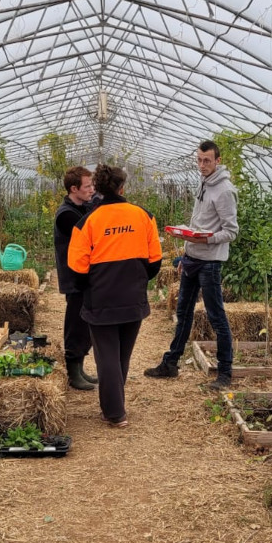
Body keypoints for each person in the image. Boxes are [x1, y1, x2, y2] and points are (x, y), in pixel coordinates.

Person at [68, 164, 162, 427]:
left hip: (101, 299)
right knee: (122, 354)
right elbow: (155, 262)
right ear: (122, 188)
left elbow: (77, 268)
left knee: (106, 354)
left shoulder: (87, 222)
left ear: (97, 188)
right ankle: (116, 405)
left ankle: (114, 413)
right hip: (133, 297)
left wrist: (93, 285)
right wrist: (137, 280)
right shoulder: (144, 215)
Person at [144, 140, 239, 391]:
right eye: (199, 160)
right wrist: (187, 242)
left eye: (207, 160)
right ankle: (171, 363)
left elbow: (231, 231)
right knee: (183, 312)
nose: (202, 165)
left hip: (209, 263)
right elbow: (201, 221)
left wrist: (206, 238)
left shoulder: (225, 190)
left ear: (218, 160)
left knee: (216, 317)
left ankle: (225, 373)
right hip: (192, 259)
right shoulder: (204, 183)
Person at [53, 166, 99, 391]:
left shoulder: (82, 207)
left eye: (92, 185)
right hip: (74, 278)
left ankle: (80, 367)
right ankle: (72, 370)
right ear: (74, 189)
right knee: (75, 323)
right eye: (88, 186)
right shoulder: (66, 215)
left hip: (86, 277)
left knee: (85, 323)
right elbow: (89, 234)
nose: (92, 190)